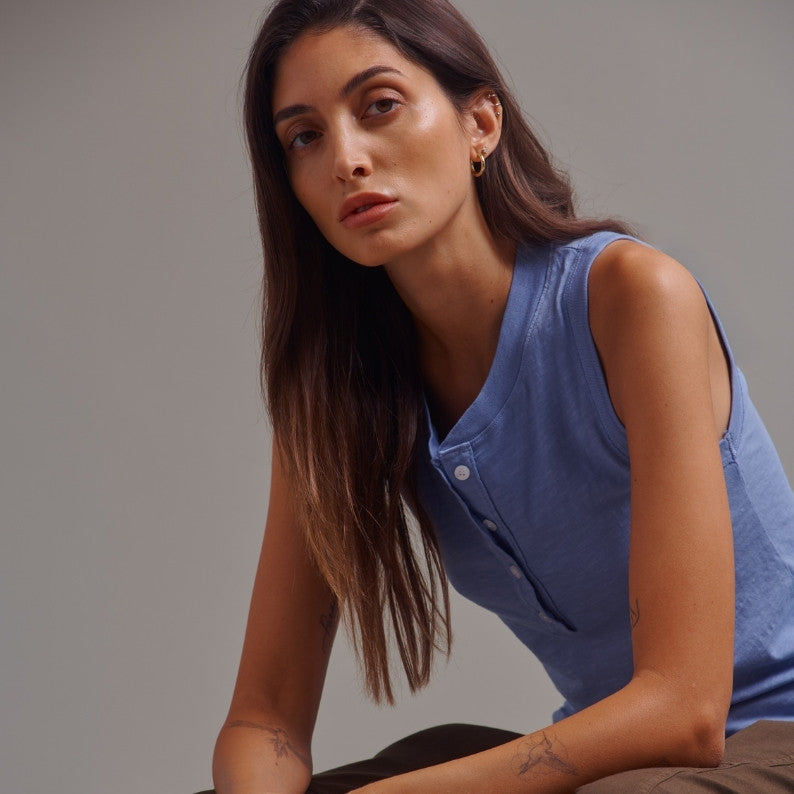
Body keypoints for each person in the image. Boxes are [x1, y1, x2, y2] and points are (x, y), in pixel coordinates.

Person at [205, 1, 794, 791]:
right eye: (305, 137)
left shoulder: (630, 298)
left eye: (379, 106)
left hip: (761, 736)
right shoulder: (335, 397)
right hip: (622, 763)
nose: (346, 158)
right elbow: (265, 719)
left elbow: (684, 714)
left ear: (480, 123)